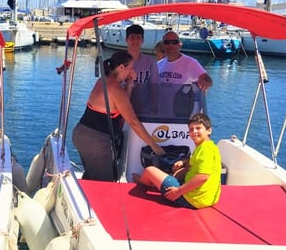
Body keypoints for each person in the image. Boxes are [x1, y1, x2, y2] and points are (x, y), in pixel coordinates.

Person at [72, 50, 164, 181]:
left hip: (82, 134)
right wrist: (155, 147)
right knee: (105, 182)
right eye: (130, 68)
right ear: (121, 67)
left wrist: (130, 83)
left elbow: (120, 104)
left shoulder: (103, 81)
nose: (131, 72)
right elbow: (133, 122)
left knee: (92, 177)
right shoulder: (115, 88)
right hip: (96, 141)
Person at [133, 113, 221, 208]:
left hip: (190, 198)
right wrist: (184, 162)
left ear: (209, 130)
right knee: (171, 173)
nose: (194, 132)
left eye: (198, 128)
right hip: (206, 198)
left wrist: (178, 191)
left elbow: (202, 176)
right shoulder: (209, 147)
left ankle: (141, 182)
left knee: (149, 170)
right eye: (191, 129)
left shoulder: (206, 150)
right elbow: (196, 162)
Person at [156, 31, 212, 116]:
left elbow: (207, 79)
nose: (171, 45)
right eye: (167, 42)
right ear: (163, 45)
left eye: (174, 42)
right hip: (161, 114)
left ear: (179, 45)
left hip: (183, 116)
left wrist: (206, 83)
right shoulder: (159, 65)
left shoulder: (191, 63)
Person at [124, 24, 159, 115]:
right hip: (121, 107)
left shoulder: (150, 62)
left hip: (143, 109)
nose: (135, 40)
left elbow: (154, 87)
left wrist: (153, 109)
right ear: (126, 40)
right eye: (132, 37)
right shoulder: (117, 60)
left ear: (142, 40)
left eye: (138, 37)